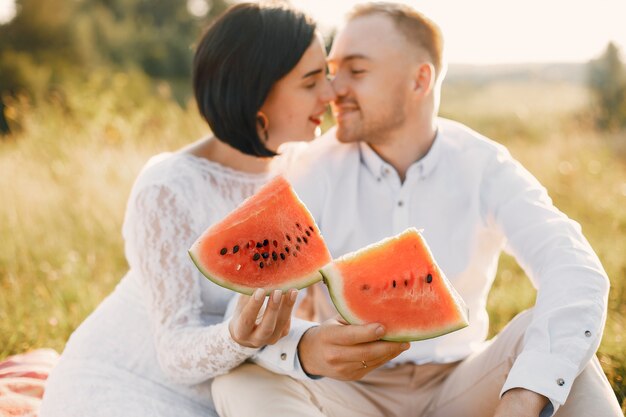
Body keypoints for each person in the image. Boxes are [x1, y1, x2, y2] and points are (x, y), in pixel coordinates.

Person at [211, 3, 623, 417]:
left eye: (357, 71)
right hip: (345, 393)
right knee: (240, 380)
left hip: (460, 385)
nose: (334, 90)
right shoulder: (311, 167)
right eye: (334, 72)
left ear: (419, 79)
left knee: (564, 356)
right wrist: (303, 346)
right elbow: (244, 304)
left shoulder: (484, 165)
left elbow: (573, 267)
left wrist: (523, 397)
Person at [39, 3, 335, 416]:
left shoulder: (307, 167)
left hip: (236, 393)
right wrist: (237, 337)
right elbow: (173, 349)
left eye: (329, 75)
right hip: (125, 384)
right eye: (310, 82)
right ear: (257, 91)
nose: (331, 93)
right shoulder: (167, 188)